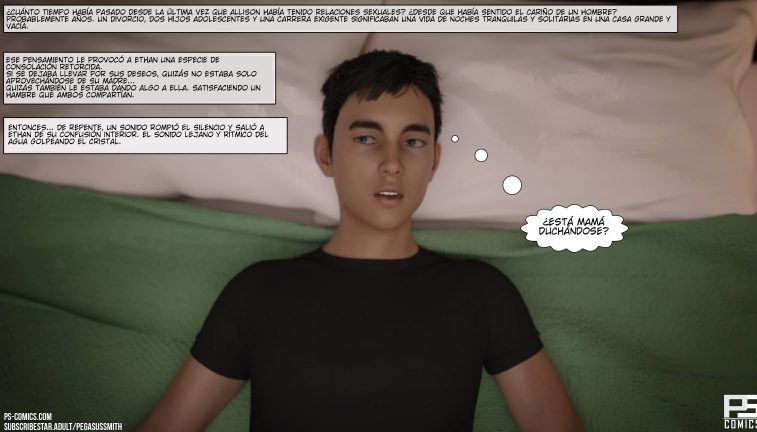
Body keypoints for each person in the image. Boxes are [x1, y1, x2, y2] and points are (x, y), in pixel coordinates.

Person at [135, 49, 583, 432]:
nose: (392, 162)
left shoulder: (481, 294)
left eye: (412, 141)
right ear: (325, 155)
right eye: (367, 137)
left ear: (434, 161)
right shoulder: (257, 293)